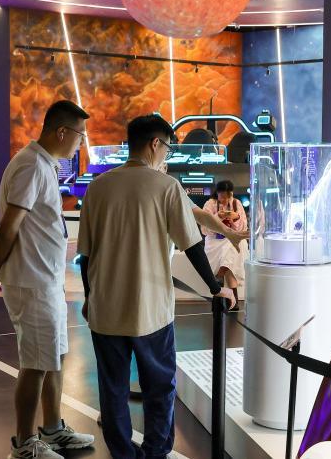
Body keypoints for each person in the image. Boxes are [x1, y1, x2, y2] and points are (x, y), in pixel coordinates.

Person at [77, 114, 235, 459]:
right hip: (151, 311)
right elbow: (192, 245)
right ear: (155, 144)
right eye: (168, 147)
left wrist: (89, 297)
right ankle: (155, 452)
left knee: (113, 389)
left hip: (105, 310)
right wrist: (215, 287)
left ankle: (123, 453)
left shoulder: (98, 187)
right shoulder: (166, 187)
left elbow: (86, 255)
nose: (168, 154)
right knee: (160, 387)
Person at [0, 100, 95, 459]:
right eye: (79, 135)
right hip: (32, 282)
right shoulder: (31, 165)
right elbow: (9, 225)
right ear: (62, 132)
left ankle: (53, 428)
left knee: (54, 356)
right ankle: (24, 442)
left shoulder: (43, 164)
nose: (81, 142)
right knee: (35, 363)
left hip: (46, 279)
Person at [201, 180, 248, 304]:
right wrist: (218, 217)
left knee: (233, 245)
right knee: (230, 252)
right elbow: (204, 230)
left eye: (227, 198)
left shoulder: (237, 204)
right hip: (215, 240)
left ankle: (220, 276)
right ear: (217, 193)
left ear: (231, 194)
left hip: (231, 239)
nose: (224, 201)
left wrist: (236, 218)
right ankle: (233, 297)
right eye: (221, 197)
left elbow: (243, 228)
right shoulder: (210, 204)